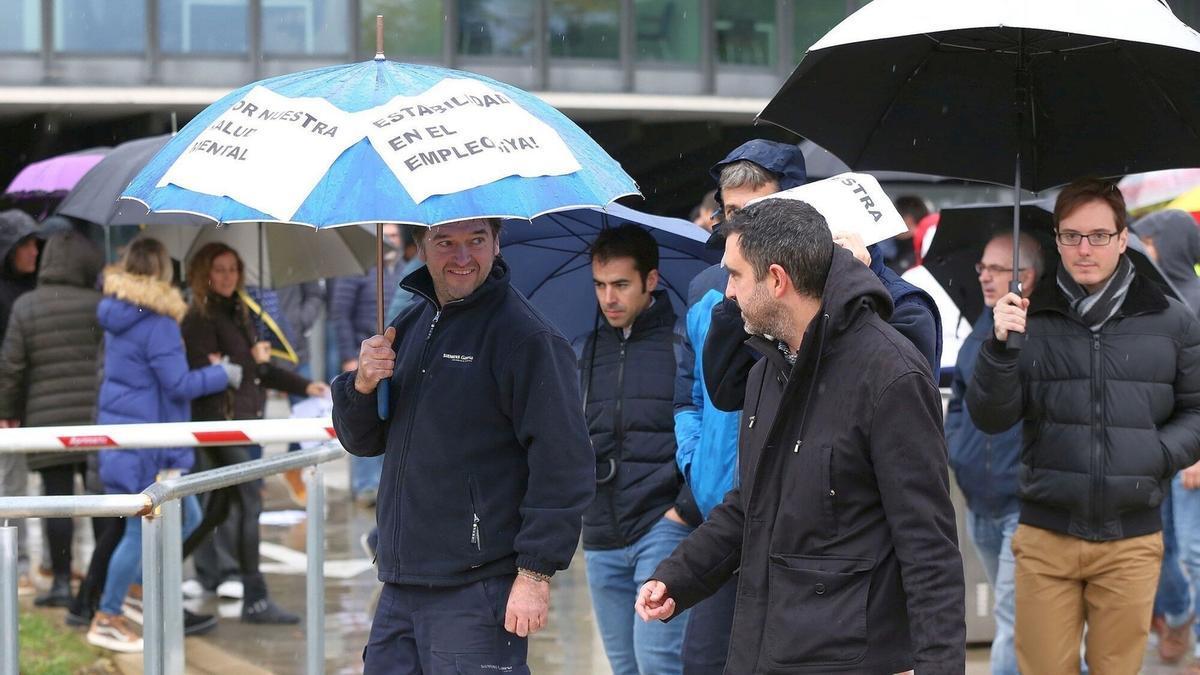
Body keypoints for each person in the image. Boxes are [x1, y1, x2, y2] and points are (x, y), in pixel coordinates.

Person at [637, 198, 966, 674]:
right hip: (769, 645)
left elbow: (928, 546)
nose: (727, 293)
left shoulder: (890, 374)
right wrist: (678, 578)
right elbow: (748, 506)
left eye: (735, 275)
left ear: (776, 279)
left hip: (855, 657)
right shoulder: (765, 371)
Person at [332, 218, 594, 673]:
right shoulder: (410, 321)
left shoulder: (528, 338)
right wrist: (363, 383)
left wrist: (535, 572)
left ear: (497, 243)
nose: (462, 257)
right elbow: (363, 440)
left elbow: (564, 464)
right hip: (401, 581)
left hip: (478, 589)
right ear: (420, 248)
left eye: (476, 241)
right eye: (445, 243)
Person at [967, 178, 1200, 675]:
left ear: (1122, 239)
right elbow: (991, 417)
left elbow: (1197, 412)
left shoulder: (1171, 320)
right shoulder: (1029, 315)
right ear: (1056, 240)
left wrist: (1155, 455)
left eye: (1098, 235)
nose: (1084, 248)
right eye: (1071, 236)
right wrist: (1000, 347)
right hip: (1045, 536)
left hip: (1131, 540)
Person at [86, 237, 235, 653]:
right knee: (146, 529)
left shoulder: (121, 314)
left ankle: (130, 590)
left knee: (181, 518)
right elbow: (178, 384)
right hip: (150, 445)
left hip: (130, 438)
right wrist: (223, 373)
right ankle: (108, 615)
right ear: (161, 273)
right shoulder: (158, 322)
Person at [180, 242, 327, 624]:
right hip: (218, 424)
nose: (228, 276)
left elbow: (255, 371)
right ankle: (256, 598)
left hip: (245, 420)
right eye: (220, 269)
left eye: (233, 269)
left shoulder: (241, 311)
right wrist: (238, 363)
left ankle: (154, 574)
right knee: (249, 502)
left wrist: (303, 385)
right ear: (203, 273)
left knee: (218, 511)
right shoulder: (199, 316)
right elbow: (202, 373)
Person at [576, 224, 696, 675]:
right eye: (600, 285)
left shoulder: (682, 345)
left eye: (621, 285)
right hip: (601, 531)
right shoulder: (585, 351)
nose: (609, 298)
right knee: (623, 667)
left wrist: (684, 511)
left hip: (661, 525)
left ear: (651, 280)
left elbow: (707, 434)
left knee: (658, 663)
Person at [944, 231, 1043, 675]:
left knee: (1013, 620)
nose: (984, 276)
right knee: (1022, 621)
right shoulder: (981, 328)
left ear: (1026, 277)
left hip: (1022, 505)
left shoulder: (1044, 333)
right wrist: (956, 447)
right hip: (979, 501)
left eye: (996, 269)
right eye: (982, 267)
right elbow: (961, 399)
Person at [0, 230, 103, 608]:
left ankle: (60, 582)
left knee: (56, 501)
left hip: (47, 421)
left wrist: (7, 411)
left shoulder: (26, 306)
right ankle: (97, 583)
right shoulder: (99, 303)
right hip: (95, 419)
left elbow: (11, 366)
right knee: (98, 501)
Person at [1133, 209, 1200, 666]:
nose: (1143, 250)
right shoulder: (1153, 298)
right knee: (1160, 547)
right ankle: (1179, 614)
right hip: (1158, 447)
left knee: (1194, 551)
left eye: (1149, 242)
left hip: (1191, 453)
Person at [331, 222, 406, 507]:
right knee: (362, 420)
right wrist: (350, 355)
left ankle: (382, 484)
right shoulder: (359, 271)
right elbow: (340, 313)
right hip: (362, 360)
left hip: (389, 362)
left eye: (395, 236)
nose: (391, 242)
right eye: (386, 237)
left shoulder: (399, 270)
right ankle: (364, 486)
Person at [0, 209, 40, 593]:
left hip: (37, 400)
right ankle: (16, 565)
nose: (34, 251)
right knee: (11, 486)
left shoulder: (36, 289)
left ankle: (40, 565)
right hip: (8, 410)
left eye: (35, 244)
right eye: (25, 244)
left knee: (44, 484)